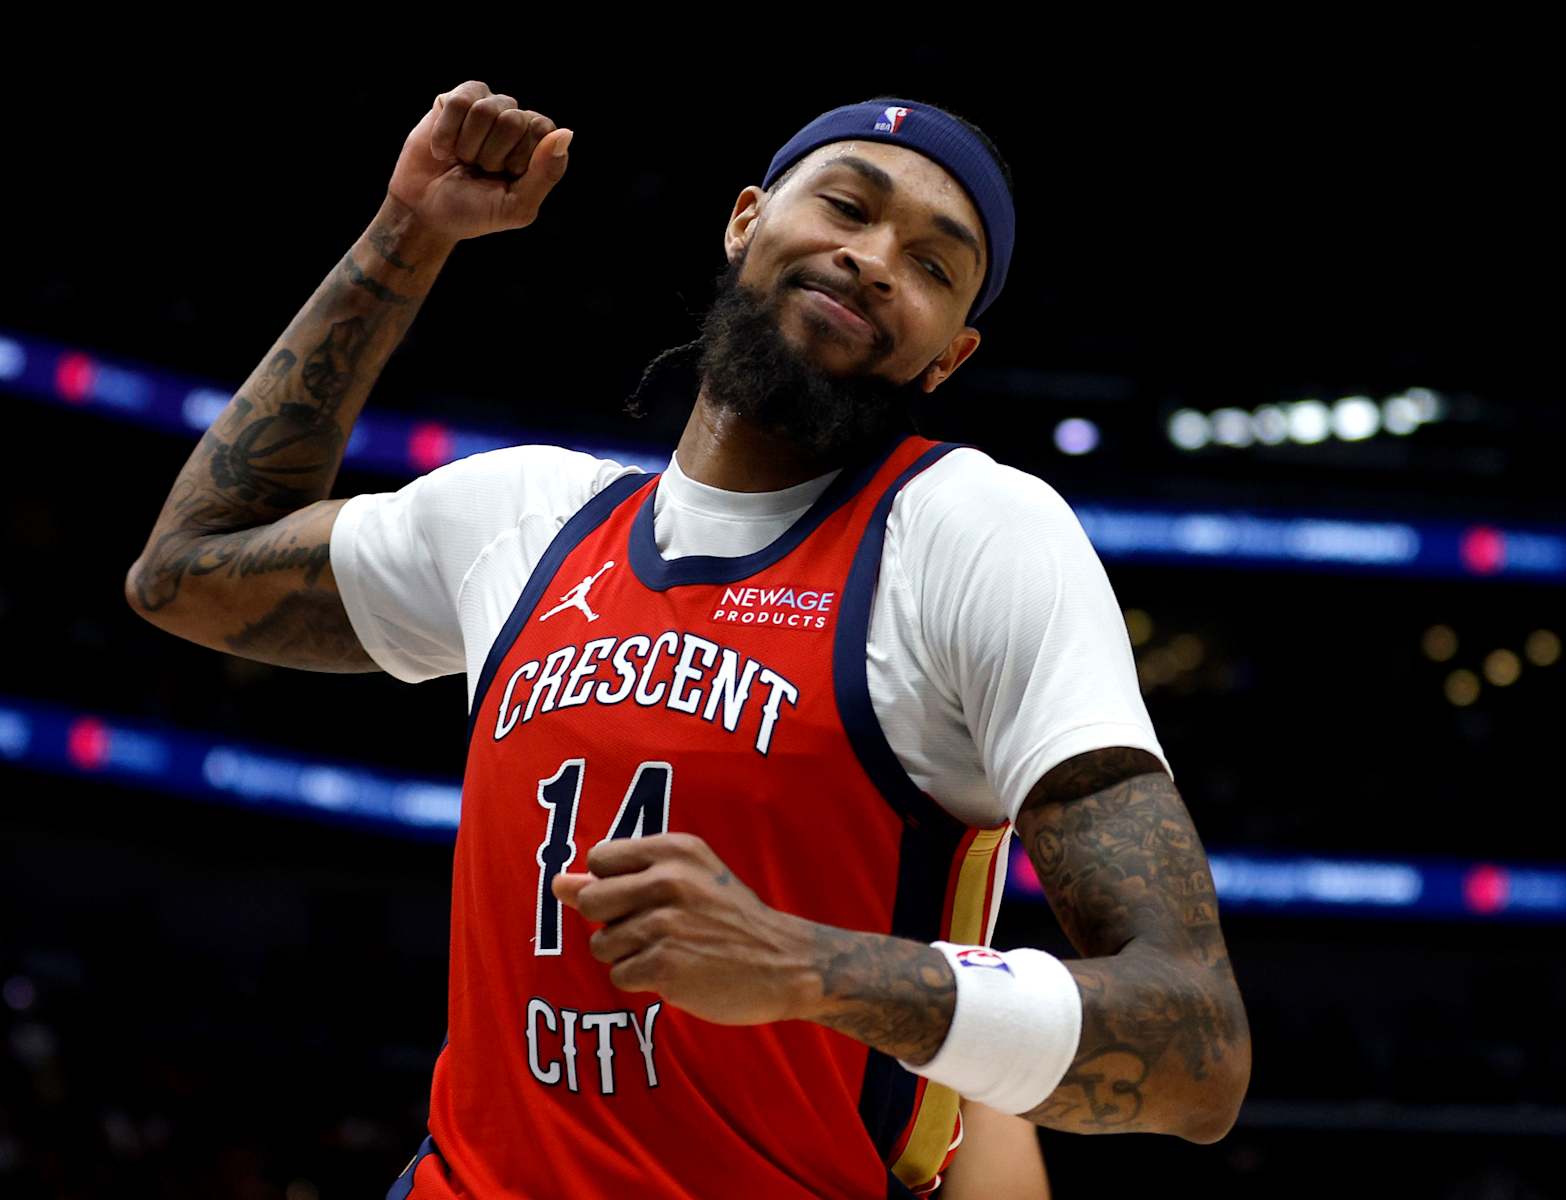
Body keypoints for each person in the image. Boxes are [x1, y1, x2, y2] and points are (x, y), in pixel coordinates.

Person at [125, 81, 1250, 1198]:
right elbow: (183, 574)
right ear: (745, 220)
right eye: (847, 206)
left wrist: (806, 966)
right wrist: (408, 233)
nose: (873, 259)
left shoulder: (969, 533)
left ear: (947, 357)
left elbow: (1197, 1050)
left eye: (931, 264)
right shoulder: (523, 516)